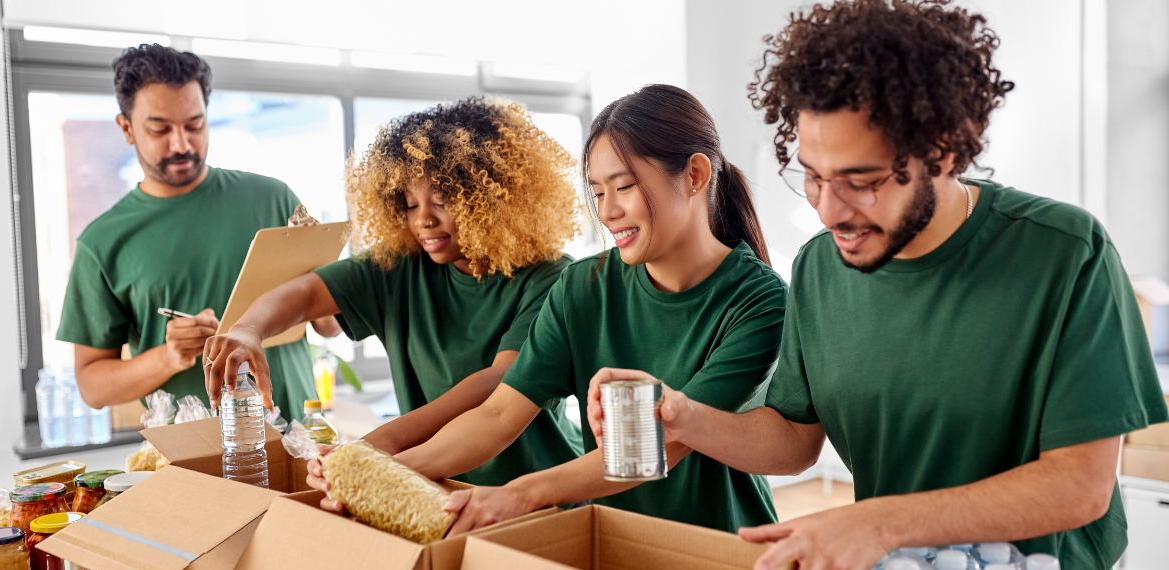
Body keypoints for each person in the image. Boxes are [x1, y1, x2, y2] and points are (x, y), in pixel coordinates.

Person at [585, 3, 1169, 570]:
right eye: (811, 176)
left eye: (859, 183)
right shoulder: (820, 269)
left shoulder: (1063, 254)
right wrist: (683, 415)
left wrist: (877, 522)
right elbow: (793, 438)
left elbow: (1078, 488)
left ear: (942, 151)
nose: (829, 210)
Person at [306, 84, 792, 535]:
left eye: (622, 187)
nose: (606, 211)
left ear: (695, 175)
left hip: (723, 540)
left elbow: (660, 441)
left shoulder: (757, 299)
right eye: (597, 192)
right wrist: (376, 471)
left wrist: (521, 493)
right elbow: (498, 416)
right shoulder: (584, 285)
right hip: (612, 537)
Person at [202, 98, 585, 486]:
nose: (423, 219)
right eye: (409, 202)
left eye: (441, 200)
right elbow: (304, 293)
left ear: (492, 198)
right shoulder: (400, 266)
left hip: (535, 491)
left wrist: (378, 447)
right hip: (435, 488)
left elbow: (499, 381)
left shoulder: (550, 278)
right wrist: (249, 329)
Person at [57, 44, 339, 422]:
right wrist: (168, 356)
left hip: (296, 445)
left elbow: (331, 325)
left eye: (195, 125)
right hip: (189, 463)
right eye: (159, 129)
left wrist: (319, 293)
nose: (182, 144)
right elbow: (93, 386)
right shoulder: (103, 243)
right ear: (126, 128)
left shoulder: (273, 198)